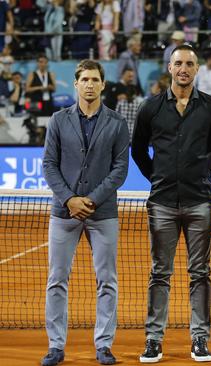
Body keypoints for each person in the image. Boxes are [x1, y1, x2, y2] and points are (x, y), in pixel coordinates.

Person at [131, 44, 211, 363]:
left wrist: (198, 176)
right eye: (178, 63)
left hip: (199, 201)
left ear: (197, 69)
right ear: (169, 68)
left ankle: (200, 339)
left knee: (200, 272)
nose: (183, 68)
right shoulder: (150, 108)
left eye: (189, 63)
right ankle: (154, 340)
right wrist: (159, 177)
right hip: (162, 203)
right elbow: (139, 151)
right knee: (160, 272)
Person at [41, 59, 130, 366]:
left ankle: (104, 345)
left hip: (102, 212)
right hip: (64, 213)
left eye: (95, 79)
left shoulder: (117, 123)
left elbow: (120, 170)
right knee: (57, 279)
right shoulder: (57, 120)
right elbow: (49, 165)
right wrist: (69, 200)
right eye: (84, 79)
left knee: (107, 280)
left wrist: (89, 200)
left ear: (103, 84)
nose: (90, 84)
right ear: (76, 84)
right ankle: (55, 346)